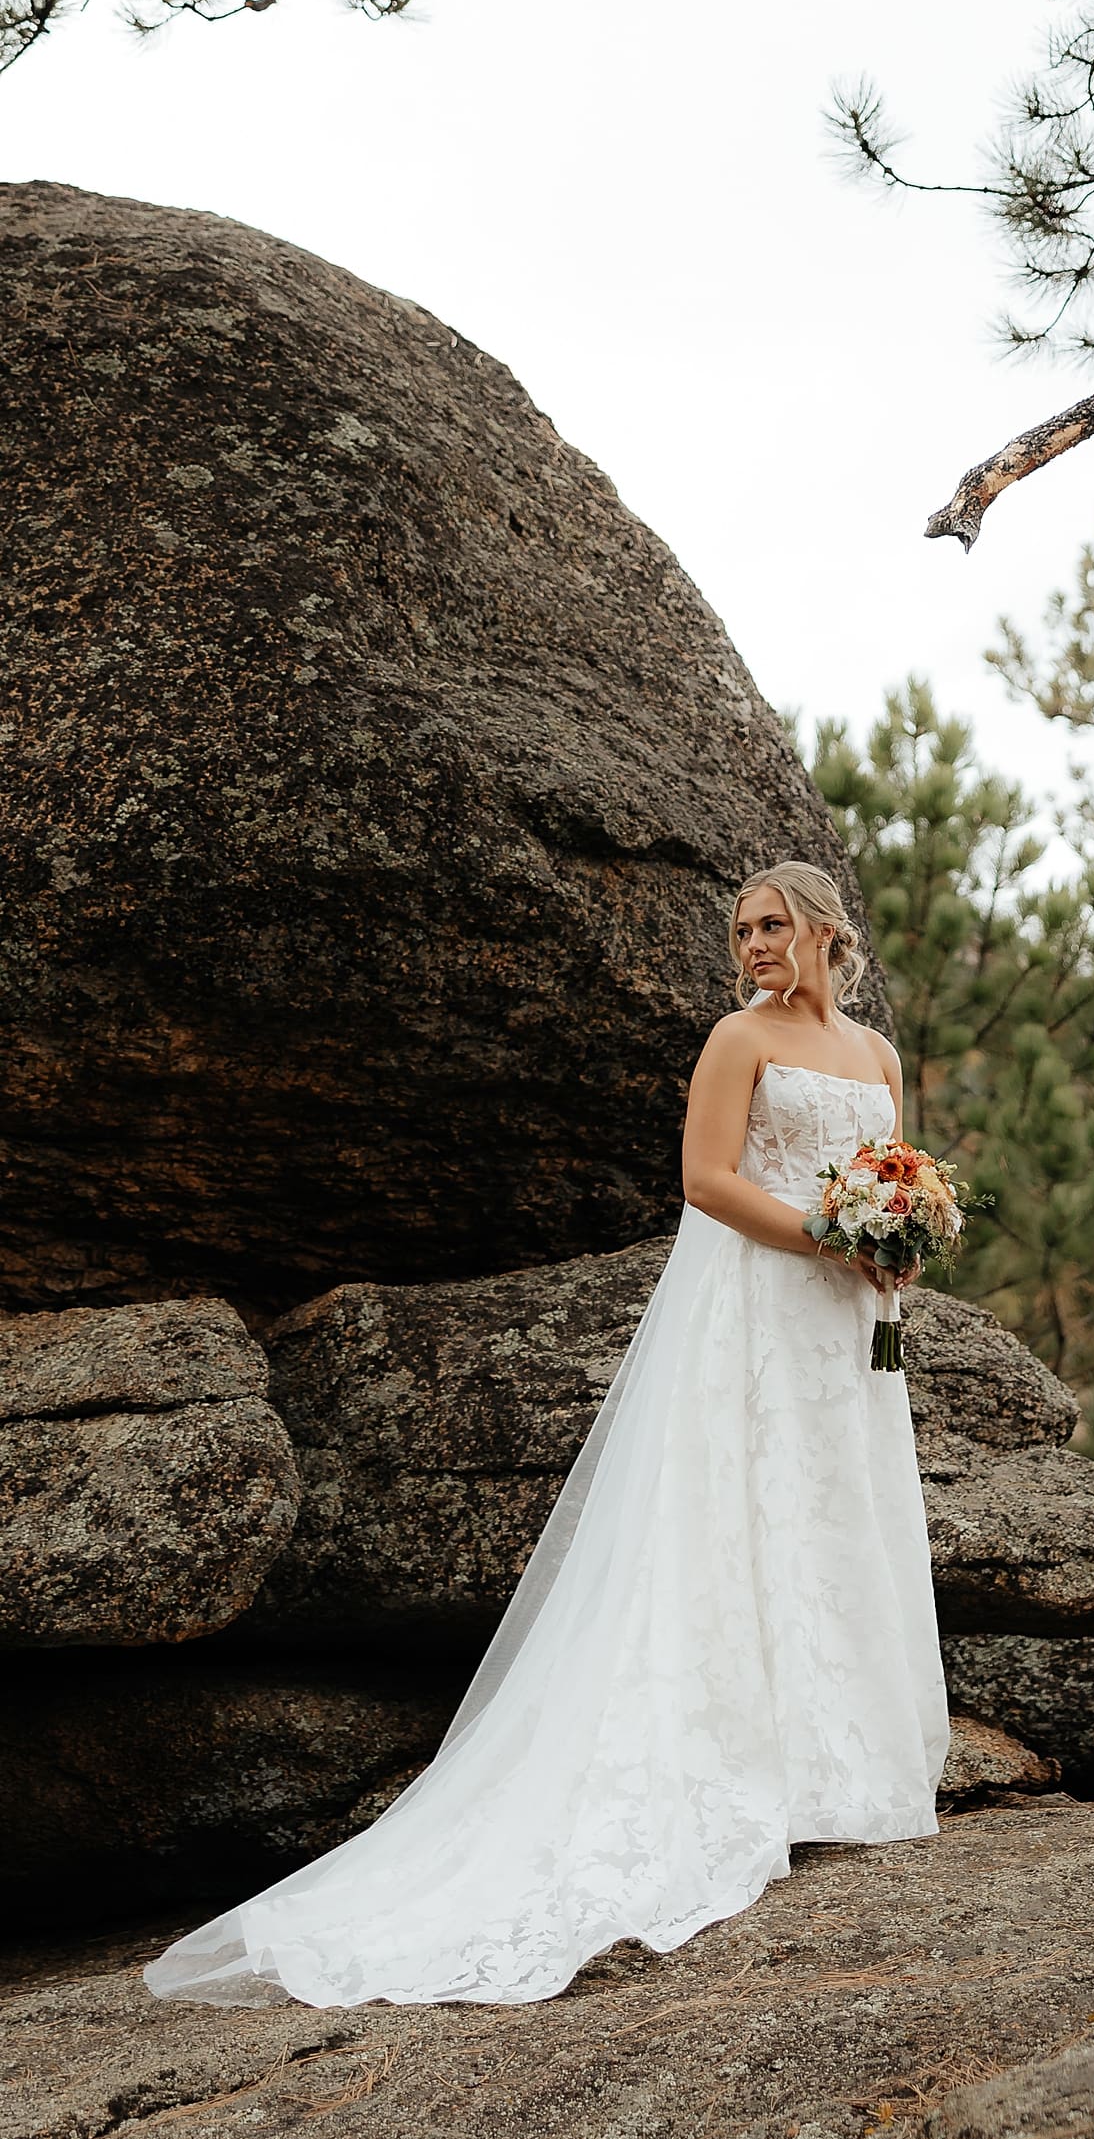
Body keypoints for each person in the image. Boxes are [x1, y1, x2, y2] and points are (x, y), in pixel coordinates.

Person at [144, 860, 949, 2008]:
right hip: (759, 1307)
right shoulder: (736, 1038)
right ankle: (741, 1771)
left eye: (774, 925)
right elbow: (709, 1183)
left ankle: (843, 1767)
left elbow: (890, 1174)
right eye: (742, 928)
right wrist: (829, 1233)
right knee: (738, 1515)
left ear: (826, 932)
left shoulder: (876, 1056)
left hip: (848, 1322)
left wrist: (894, 1240)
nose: (756, 943)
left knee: (837, 1509)